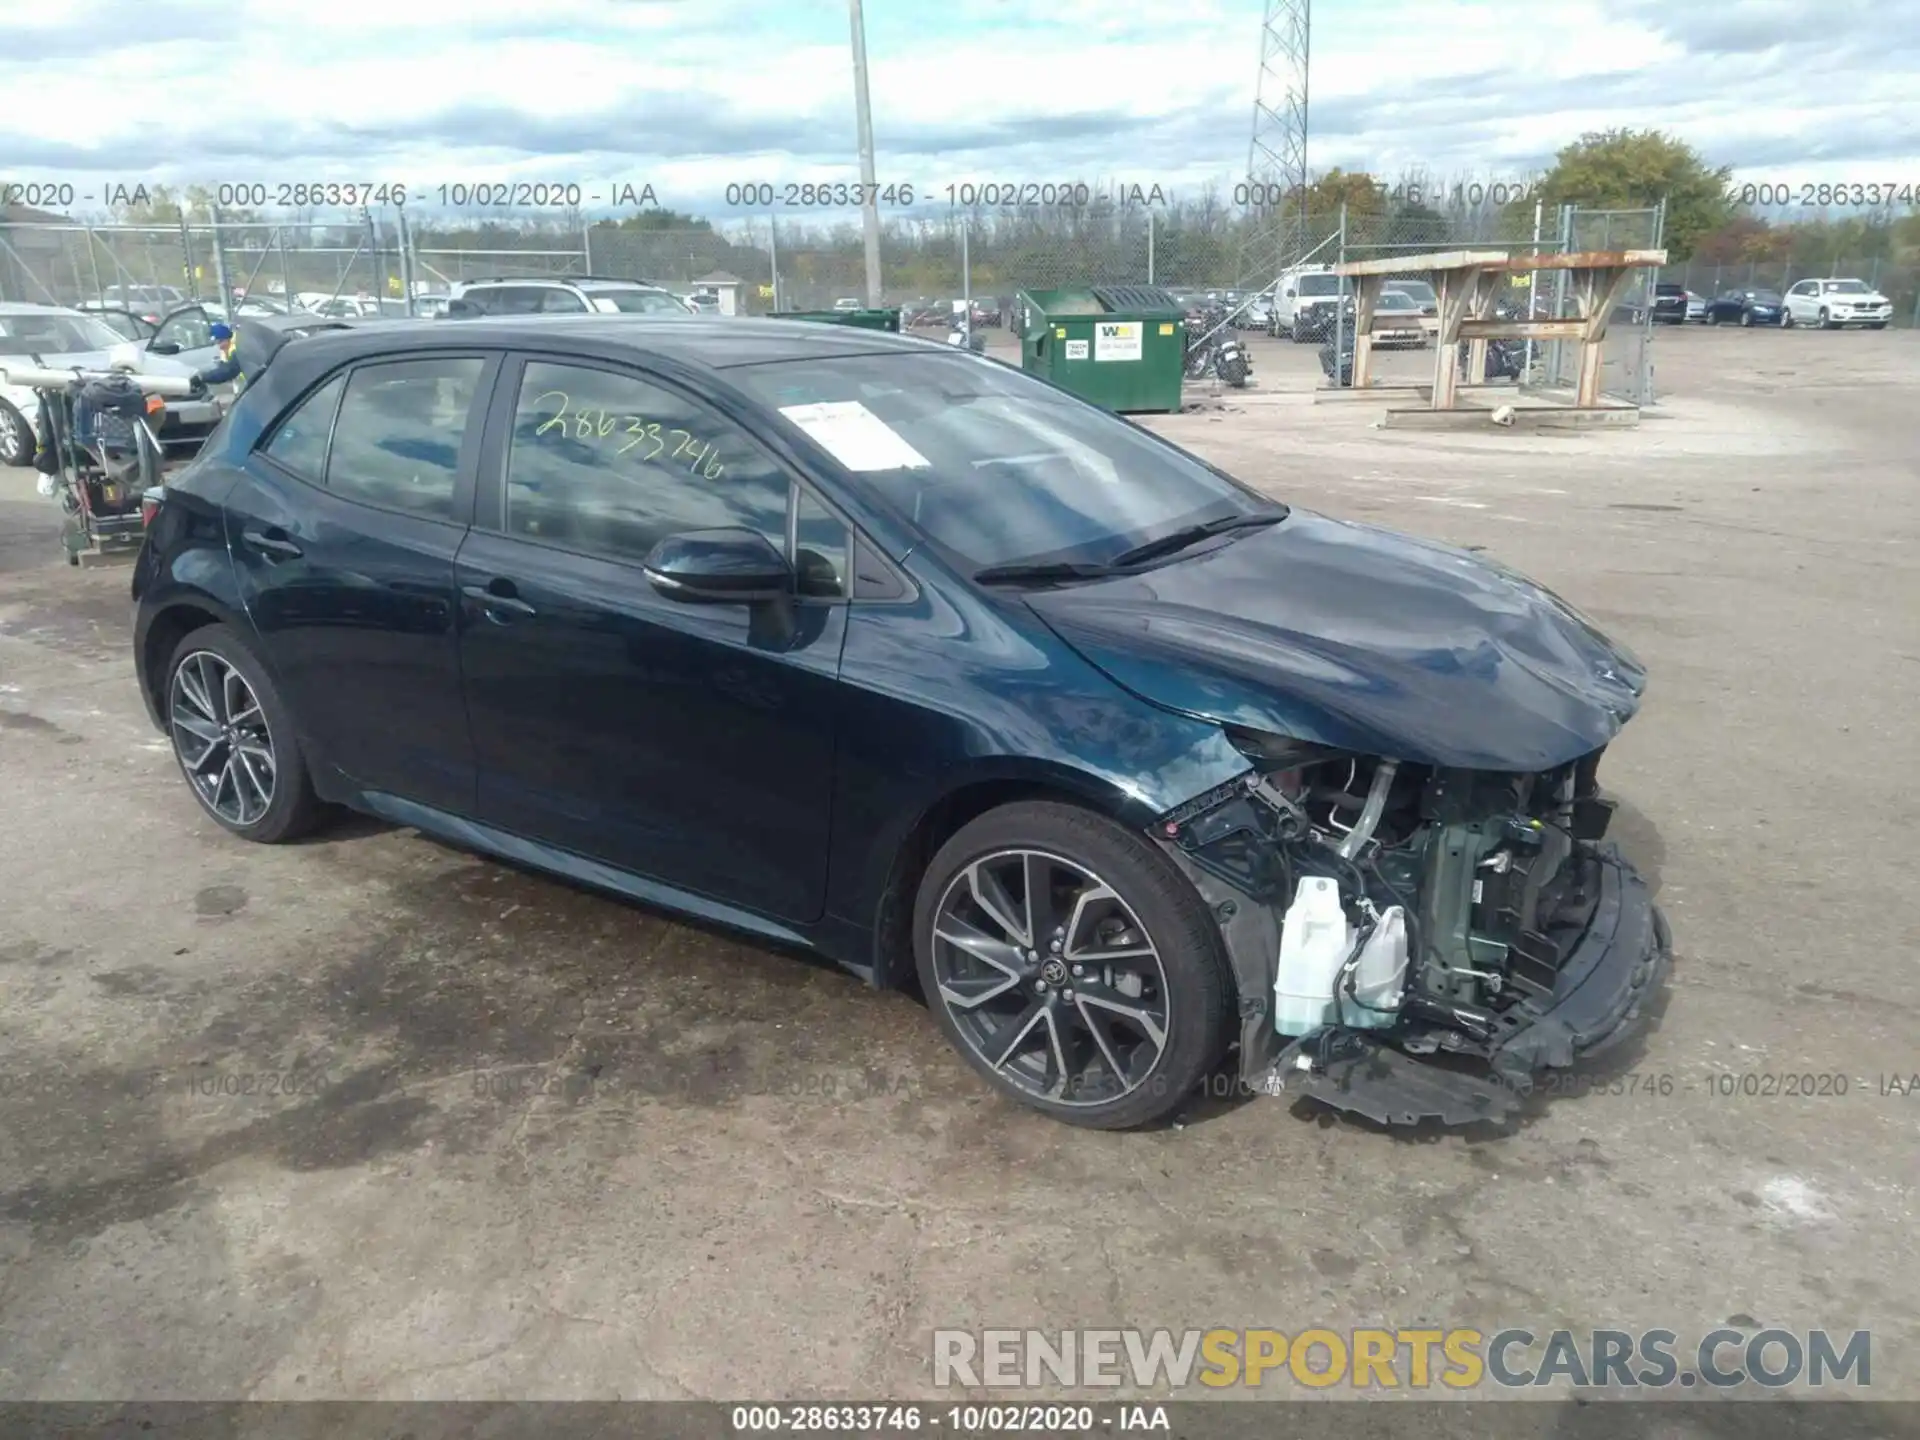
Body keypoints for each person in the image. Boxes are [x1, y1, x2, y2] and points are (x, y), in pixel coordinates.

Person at [189, 322, 247, 398]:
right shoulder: (228, 349)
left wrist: (202, 377)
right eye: (216, 343)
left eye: (220, 342)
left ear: (227, 339)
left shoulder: (236, 350)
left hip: (251, 383)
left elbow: (228, 371)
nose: (219, 346)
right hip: (245, 384)